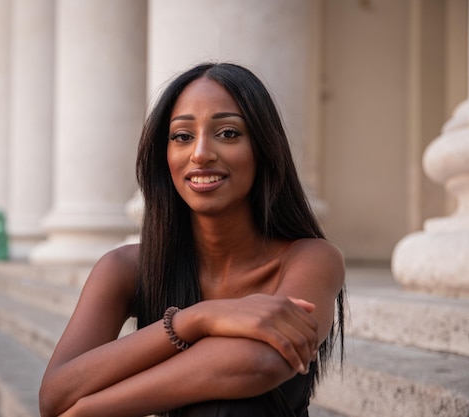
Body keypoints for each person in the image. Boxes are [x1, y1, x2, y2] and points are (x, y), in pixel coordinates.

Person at [39, 62, 346, 417]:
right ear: (164, 155)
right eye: (182, 136)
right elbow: (55, 394)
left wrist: (90, 410)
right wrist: (196, 319)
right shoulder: (124, 268)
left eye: (228, 133)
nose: (200, 154)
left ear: (263, 149)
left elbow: (259, 362)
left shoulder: (310, 258)